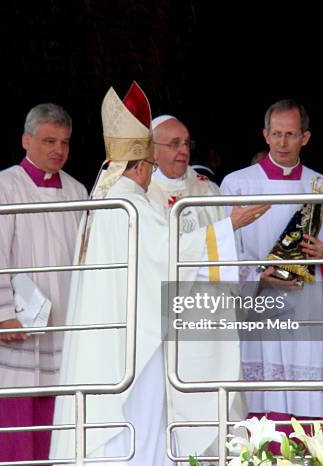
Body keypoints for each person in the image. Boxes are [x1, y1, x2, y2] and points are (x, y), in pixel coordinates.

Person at [50, 83, 264, 465]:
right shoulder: (131, 203)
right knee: (140, 422)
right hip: (134, 339)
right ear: (142, 165)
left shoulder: (104, 196)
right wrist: (226, 226)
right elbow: (168, 253)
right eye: (149, 165)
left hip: (111, 333)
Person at [220, 99, 323, 445]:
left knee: (310, 402)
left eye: (291, 135)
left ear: (306, 138)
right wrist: (255, 275)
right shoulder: (236, 185)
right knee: (259, 403)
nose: (283, 142)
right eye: (277, 134)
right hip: (258, 310)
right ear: (265, 136)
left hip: (309, 308)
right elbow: (220, 249)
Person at [0, 103, 88, 463]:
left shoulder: (77, 191)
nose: (58, 150)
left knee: (58, 419)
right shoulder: (1, 186)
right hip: (15, 325)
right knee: (11, 417)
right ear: (26, 139)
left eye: (64, 142)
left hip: (63, 322)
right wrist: (2, 314)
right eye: (49, 140)